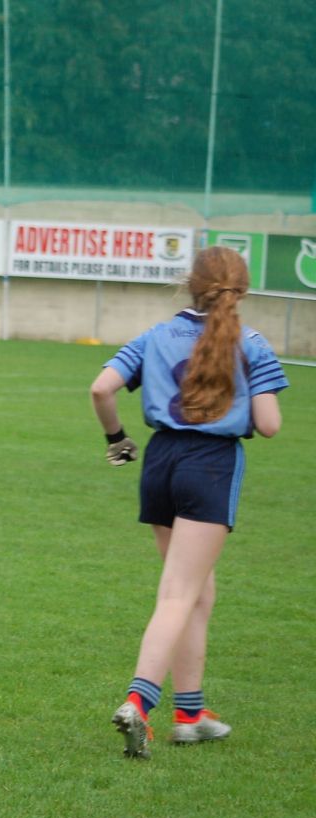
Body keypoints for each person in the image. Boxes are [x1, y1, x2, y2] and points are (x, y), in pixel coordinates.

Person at [89, 246, 288, 759]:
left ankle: (191, 714)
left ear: (188, 284)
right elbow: (268, 426)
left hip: (160, 462)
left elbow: (101, 389)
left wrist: (117, 440)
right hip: (211, 464)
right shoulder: (253, 343)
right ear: (240, 291)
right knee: (179, 593)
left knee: (198, 592)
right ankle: (139, 701)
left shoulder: (154, 336)